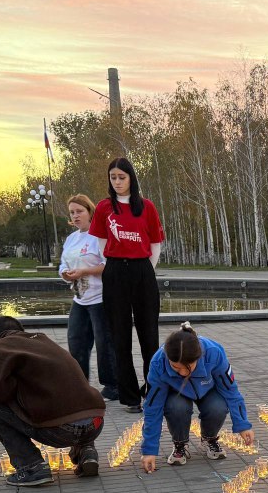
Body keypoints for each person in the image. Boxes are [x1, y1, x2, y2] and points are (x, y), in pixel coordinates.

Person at [0, 316, 106, 487]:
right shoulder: (44, 340)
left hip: (59, 430)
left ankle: (31, 466)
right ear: (21, 331)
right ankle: (86, 452)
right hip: (95, 422)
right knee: (72, 397)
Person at [88, 157, 165, 414]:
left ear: (131, 178)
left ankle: (153, 392)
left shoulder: (146, 207)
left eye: (122, 177)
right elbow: (100, 241)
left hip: (143, 271)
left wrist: (144, 269)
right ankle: (131, 397)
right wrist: (116, 262)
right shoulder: (104, 208)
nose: (118, 182)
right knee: (119, 337)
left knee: (149, 337)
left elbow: (155, 242)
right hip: (115, 272)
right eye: (113, 178)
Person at [139, 323, 254, 473]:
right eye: (175, 367)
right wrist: (149, 450)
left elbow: (231, 391)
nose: (181, 373)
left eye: (187, 367)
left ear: (198, 357)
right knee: (176, 407)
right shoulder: (158, 363)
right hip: (177, 394)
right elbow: (153, 407)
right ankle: (180, 443)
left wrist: (243, 424)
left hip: (208, 389)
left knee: (218, 407)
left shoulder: (213, 353)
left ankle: (209, 438)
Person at [60, 193, 117, 401]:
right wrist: (65, 273)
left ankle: (112, 386)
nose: (75, 216)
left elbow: (108, 265)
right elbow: (63, 263)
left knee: (104, 344)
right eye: (72, 212)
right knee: (76, 341)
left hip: (100, 298)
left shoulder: (99, 236)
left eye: (79, 211)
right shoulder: (71, 239)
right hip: (80, 298)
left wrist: (85, 271)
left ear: (90, 211)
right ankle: (80, 384)